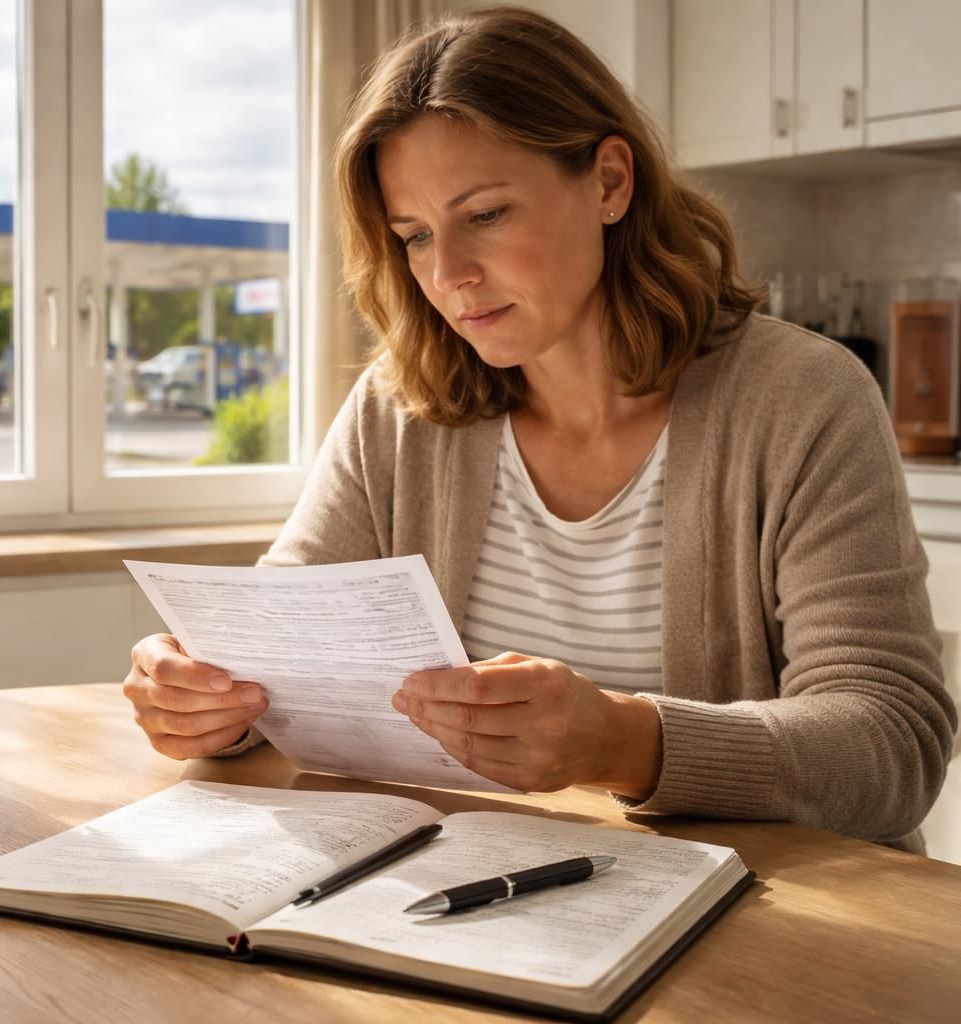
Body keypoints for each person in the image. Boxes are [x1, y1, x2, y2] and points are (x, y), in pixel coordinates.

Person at [120, 6, 955, 850]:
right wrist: (213, 703)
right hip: (473, 893)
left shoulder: (801, 398)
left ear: (610, 182)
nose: (448, 275)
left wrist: (624, 741)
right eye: (414, 235)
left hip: (761, 921)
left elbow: (892, 742)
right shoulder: (399, 407)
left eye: (485, 215)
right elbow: (284, 648)